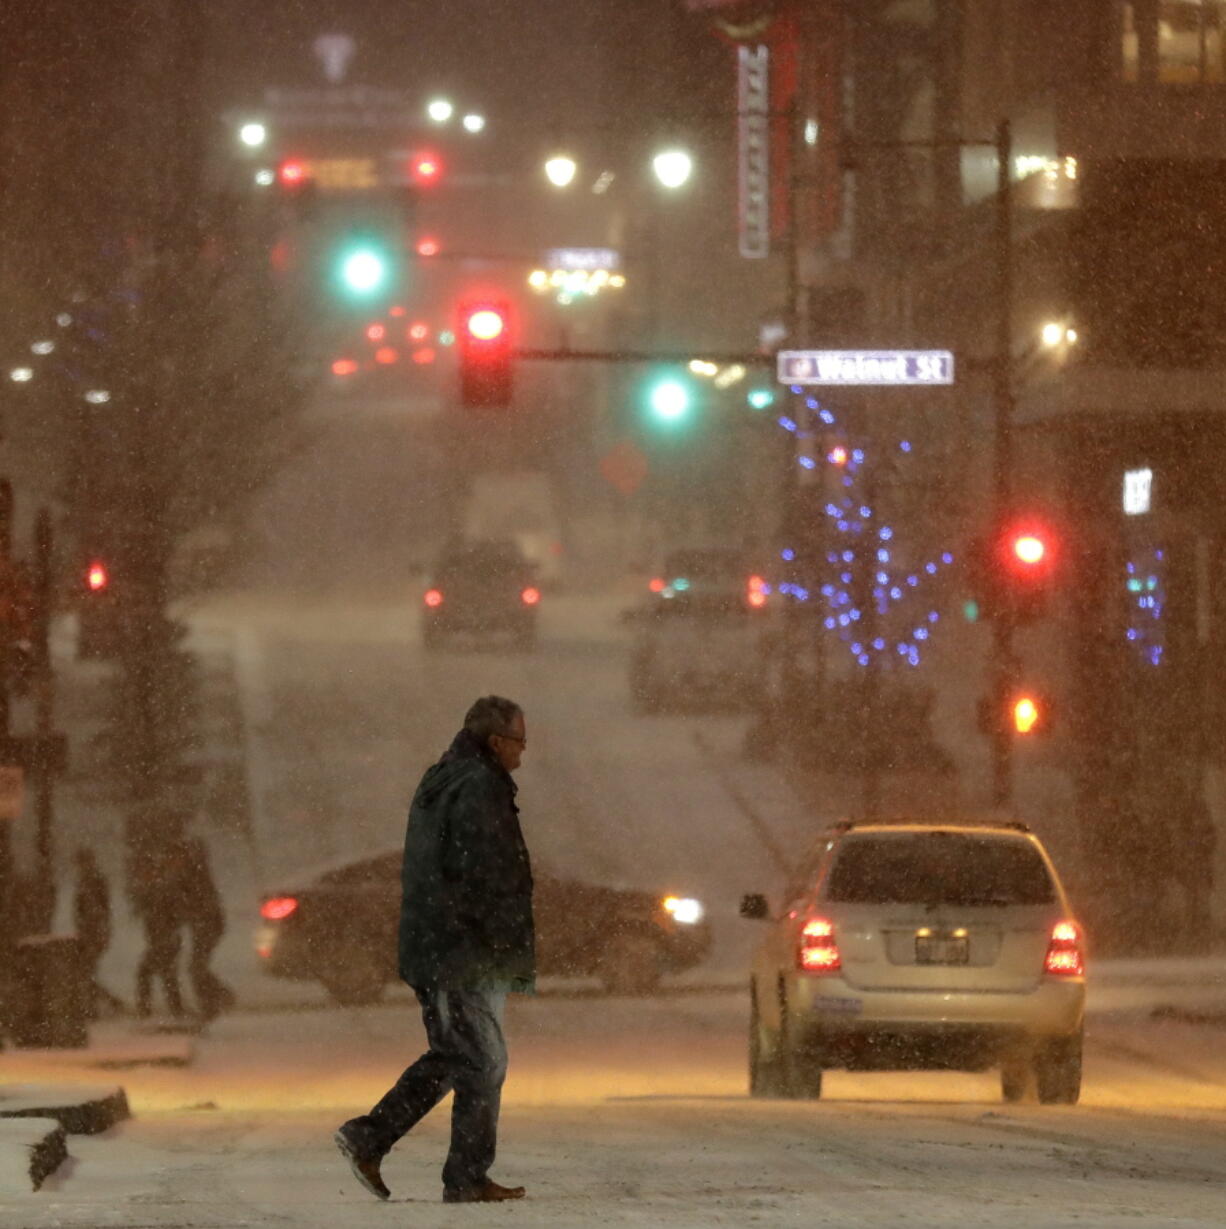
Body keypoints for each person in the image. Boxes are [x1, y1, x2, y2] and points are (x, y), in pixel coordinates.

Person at [334, 695, 535, 1205]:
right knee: (481, 1059)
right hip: (460, 951)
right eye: (519, 742)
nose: (522, 753)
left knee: (463, 1057)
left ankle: (436, 1163)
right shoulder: (479, 786)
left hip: (440, 944)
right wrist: (493, 938)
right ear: (496, 741)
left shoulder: (444, 777)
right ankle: (392, 1146)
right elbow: (482, 872)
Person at [131, 839, 187, 1019]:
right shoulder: (154, 888)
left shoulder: (161, 889)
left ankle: (148, 1012)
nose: (142, 874)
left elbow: (170, 915)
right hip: (161, 940)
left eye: (144, 870)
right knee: (166, 976)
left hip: (165, 940)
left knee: (149, 973)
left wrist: (168, 935)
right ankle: (175, 1011)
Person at [181, 835, 235, 1020]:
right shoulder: (197, 872)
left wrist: (194, 916)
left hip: (206, 925)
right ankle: (218, 997)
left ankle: (213, 1002)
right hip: (206, 924)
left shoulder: (196, 873)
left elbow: (200, 902)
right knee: (197, 967)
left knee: (196, 968)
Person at [73, 847, 123, 1017]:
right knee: (86, 972)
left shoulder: (95, 881)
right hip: (89, 933)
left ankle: (96, 1006)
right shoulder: (85, 882)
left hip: (93, 933)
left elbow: (102, 909)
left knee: (86, 972)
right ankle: (103, 1003)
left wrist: (101, 932)